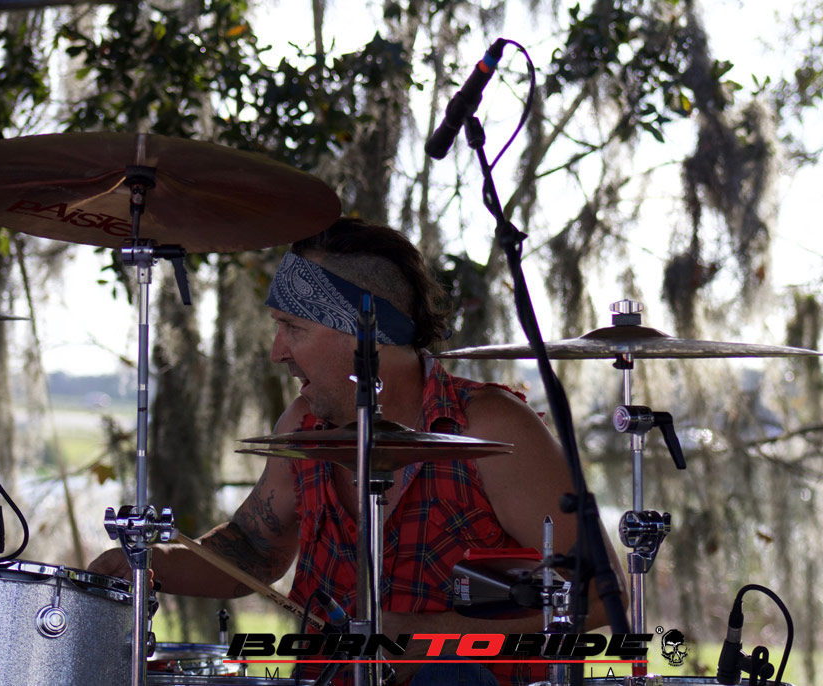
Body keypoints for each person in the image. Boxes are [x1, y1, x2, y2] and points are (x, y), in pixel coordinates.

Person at [89, 217, 626, 685]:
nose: (277, 352)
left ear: (366, 336)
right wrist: (146, 565)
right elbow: (252, 549)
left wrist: (435, 640)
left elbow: (602, 593)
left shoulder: (492, 427)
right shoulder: (303, 426)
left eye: (293, 328)